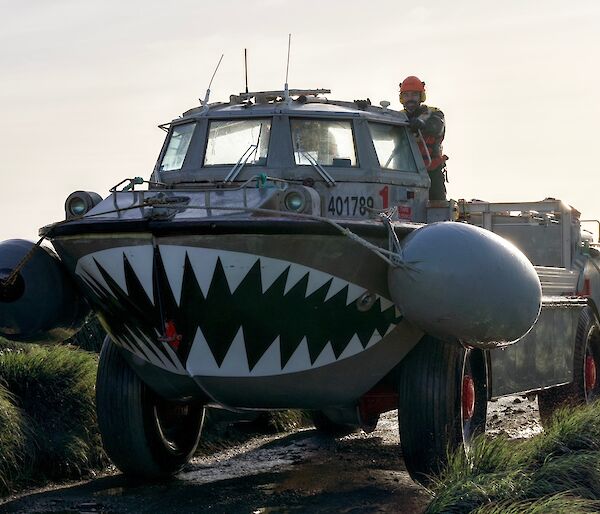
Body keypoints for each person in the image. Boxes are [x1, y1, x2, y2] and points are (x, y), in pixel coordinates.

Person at [399, 76, 448, 201]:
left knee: (437, 207)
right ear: (401, 98)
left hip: (431, 171)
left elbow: (437, 127)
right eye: (406, 95)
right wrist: (363, 109)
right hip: (405, 173)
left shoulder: (434, 114)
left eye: (414, 95)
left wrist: (422, 125)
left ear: (421, 96)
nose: (410, 98)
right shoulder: (397, 116)